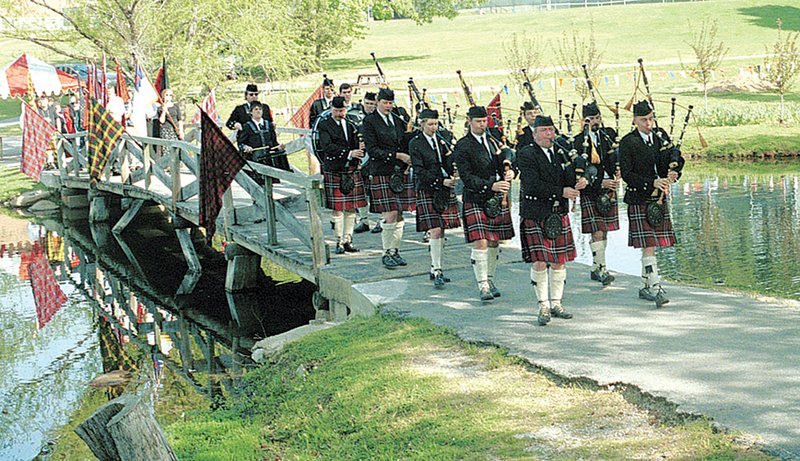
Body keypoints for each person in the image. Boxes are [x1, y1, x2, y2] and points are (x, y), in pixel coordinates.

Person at [518, 115, 586, 325]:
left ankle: (556, 303)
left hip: (557, 213)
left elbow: (569, 178)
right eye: (545, 130)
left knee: (559, 261)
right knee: (540, 262)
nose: (550, 134)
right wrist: (561, 192)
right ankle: (543, 306)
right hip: (536, 213)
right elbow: (532, 185)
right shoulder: (526, 154)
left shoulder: (560, 153)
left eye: (551, 130)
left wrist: (580, 181)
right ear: (535, 133)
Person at [619, 100, 684, 308]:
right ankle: (655, 287)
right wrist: (652, 182)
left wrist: (674, 174)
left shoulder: (660, 136)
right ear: (635, 120)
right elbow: (627, 175)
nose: (648, 123)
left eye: (650, 119)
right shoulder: (628, 142)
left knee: (652, 245)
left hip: (659, 198)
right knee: (649, 245)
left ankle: (646, 286)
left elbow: (672, 160)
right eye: (643, 120)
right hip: (639, 198)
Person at [453, 105, 516, 301]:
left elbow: (505, 160)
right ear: (469, 121)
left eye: (484, 121)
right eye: (478, 121)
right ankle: (482, 286)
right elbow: (466, 177)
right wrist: (492, 185)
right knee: (480, 242)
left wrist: (511, 171)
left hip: (495, 200)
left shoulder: (492, 141)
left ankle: (490, 279)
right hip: (476, 197)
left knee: (494, 240)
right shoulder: (463, 145)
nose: (482, 124)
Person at [362, 87, 413, 269]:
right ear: (378, 102)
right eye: (385, 103)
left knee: (399, 214)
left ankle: (395, 251)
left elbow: (404, 141)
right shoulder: (369, 122)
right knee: (390, 214)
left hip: (398, 173)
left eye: (391, 103)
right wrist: (397, 156)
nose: (388, 106)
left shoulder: (397, 120)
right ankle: (386, 252)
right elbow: (372, 150)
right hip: (381, 172)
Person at [409, 108, 460, 287]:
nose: (434, 127)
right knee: (435, 230)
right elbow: (419, 171)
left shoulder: (442, 141)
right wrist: (441, 181)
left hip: (444, 189)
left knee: (442, 229)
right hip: (428, 188)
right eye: (430, 124)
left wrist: (454, 171)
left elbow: (448, 162)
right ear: (422, 124)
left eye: (436, 124)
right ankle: (436, 268)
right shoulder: (415, 143)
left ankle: (435, 268)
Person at [576, 102, 620, 286]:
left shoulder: (609, 135)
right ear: (583, 121)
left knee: (605, 231)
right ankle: (602, 269)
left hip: (609, 189)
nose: (595, 122)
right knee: (597, 231)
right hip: (591, 190)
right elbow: (581, 169)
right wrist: (600, 181)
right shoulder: (579, 141)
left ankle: (596, 266)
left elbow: (618, 157)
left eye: (597, 118)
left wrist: (619, 173)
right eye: (591, 119)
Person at [317, 96, 367, 254]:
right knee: (338, 209)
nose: (340, 113)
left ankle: (348, 240)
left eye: (343, 110)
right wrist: (349, 153)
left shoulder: (351, 124)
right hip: (334, 168)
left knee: (351, 207)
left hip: (351, 169)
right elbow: (327, 146)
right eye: (337, 111)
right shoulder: (324, 125)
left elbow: (355, 143)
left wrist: (359, 149)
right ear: (331, 109)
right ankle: (338, 241)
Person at [238, 101, 289, 176]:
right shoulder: (246, 126)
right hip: (255, 160)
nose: (258, 111)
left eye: (260, 109)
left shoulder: (269, 125)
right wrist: (246, 147)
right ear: (251, 112)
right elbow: (241, 144)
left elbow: (274, 142)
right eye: (255, 109)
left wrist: (279, 147)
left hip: (269, 160)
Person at [354, 91, 378, 234]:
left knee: (376, 192)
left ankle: (382, 221)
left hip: (375, 159)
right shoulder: (355, 117)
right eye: (367, 103)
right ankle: (364, 220)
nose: (369, 106)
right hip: (360, 159)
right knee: (360, 191)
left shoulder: (379, 119)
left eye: (372, 104)